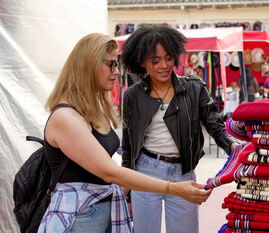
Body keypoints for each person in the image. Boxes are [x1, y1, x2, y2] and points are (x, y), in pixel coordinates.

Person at [37, 33, 212, 233]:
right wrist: (173, 188)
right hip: (80, 215)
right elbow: (109, 171)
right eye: (111, 64)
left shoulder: (92, 109)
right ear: (89, 65)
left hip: (101, 208)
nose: (117, 72)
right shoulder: (65, 117)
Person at [120, 24, 238, 233]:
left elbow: (215, 126)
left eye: (168, 58)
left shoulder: (194, 87)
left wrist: (234, 147)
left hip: (183, 173)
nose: (164, 66)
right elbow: (128, 146)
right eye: (155, 61)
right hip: (145, 172)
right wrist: (127, 190)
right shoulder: (132, 95)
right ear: (142, 62)